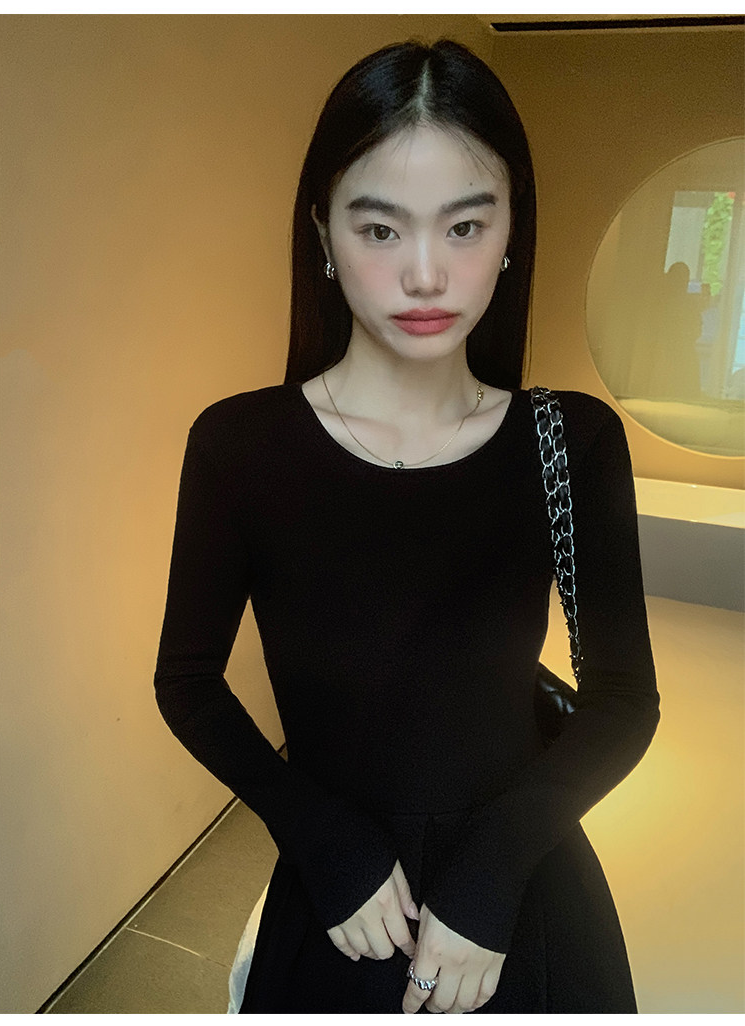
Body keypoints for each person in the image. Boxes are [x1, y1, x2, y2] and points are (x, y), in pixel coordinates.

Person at [154, 39, 660, 1014]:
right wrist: (312, 831)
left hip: (523, 894)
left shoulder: (574, 439)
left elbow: (623, 698)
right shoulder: (237, 446)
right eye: (381, 228)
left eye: (465, 225)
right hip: (341, 901)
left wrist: (501, 861)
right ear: (323, 231)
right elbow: (187, 681)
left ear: (511, 230)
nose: (426, 275)